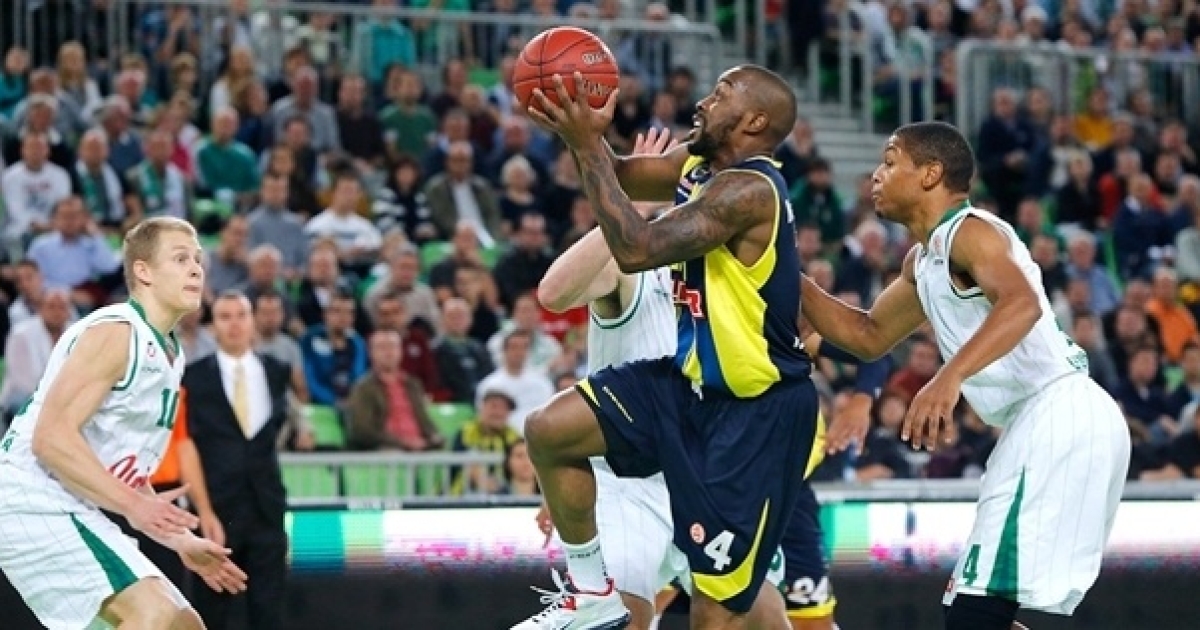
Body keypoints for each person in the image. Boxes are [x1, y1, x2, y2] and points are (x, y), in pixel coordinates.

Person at [517, 65, 818, 630]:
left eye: (721, 94)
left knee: (725, 616)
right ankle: (591, 591)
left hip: (749, 417)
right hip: (687, 392)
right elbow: (618, 175)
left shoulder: (748, 190)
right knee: (548, 429)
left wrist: (588, 147)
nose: (702, 101)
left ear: (754, 122)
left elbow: (635, 248)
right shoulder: (697, 166)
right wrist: (578, 128)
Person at [799, 121, 1130, 630]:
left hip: (1058, 415)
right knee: (974, 616)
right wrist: (787, 274)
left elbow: (1021, 304)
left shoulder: (970, 230)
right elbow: (867, 335)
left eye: (890, 161)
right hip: (1039, 424)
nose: (876, 175)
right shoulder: (923, 260)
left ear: (930, 174)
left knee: (975, 612)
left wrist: (947, 377)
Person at [0, 217, 247, 630]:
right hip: (30, 496)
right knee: (151, 613)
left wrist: (180, 539)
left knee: (184, 624)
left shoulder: (168, 352)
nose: (195, 269)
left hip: (69, 501)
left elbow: (121, 468)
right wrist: (135, 506)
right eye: (180, 258)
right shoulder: (117, 332)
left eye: (198, 259)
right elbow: (50, 438)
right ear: (143, 271)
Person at [527, 127, 685, 630]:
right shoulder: (631, 267)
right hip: (628, 484)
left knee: (763, 618)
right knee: (623, 621)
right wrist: (631, 206)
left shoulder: (729, 272)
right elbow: (553, 293)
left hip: (705, 475)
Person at [182, 292, 294, 630]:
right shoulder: (193, 377)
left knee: (268, 610)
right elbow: (188, 445)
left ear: (253, 321)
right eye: (225, 316)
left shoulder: (277, 371)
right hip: (217, 511)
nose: (234, 324)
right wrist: (203, 511)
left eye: (241, 315)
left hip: (267, 508)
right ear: (213, 326)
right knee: (212, 611)